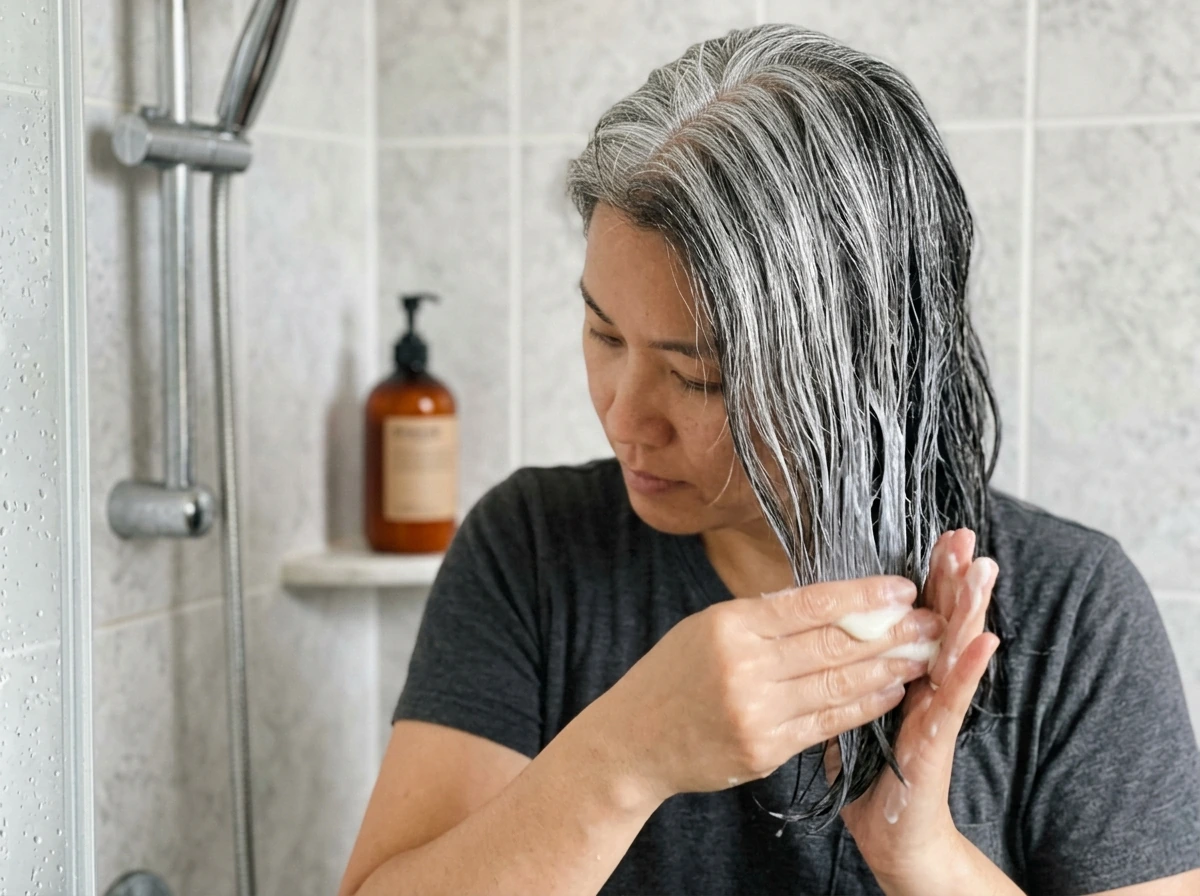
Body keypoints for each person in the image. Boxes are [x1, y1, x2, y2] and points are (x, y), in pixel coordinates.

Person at [338, 23, 1200, 896]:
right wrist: (625, 755)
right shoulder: (533, 550)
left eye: (698, 377)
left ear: (861, 363)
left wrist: (919, 850)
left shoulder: (1071, 612)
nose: (623, 414)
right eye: (603, 331)